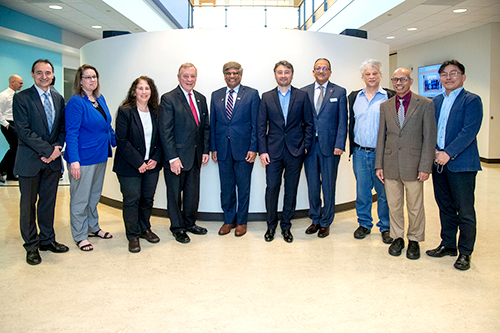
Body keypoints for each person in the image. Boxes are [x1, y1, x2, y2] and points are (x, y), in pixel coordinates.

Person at [426, 60, 483, 271]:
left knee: (465, 210)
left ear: (463, 77)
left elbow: (469, 131)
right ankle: (448, 245)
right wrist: (433, 151)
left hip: (461, 165)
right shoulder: (436, 101)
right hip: (438, 163)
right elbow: (430, 130)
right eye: (444, 74)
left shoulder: (472, 100)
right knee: (445, 207)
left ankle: (465, 252)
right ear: (440, 78)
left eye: (453, 73)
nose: (448, 77)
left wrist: (448, 153)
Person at [375, 68, 436, 260]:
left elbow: (429, 138)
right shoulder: (385, 106)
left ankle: (414, 240)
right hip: (390, 163)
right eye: (395, 80)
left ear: (410, 81)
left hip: (414, 165)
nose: (398, 83)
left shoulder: (425, 104)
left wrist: (425, 166)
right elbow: (381, 137)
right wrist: (379, 165)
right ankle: (397, 237)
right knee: (394, 205)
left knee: (415, 206)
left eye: (402, 79)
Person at [12, 59, 68, 265]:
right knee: (28, 206)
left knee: (48, 204)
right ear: (32, 75)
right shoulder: (22, 98)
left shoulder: (58, 98)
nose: (44, 76)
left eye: (48, 72)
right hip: (30, 161)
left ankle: (47, 240)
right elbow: (23, 131)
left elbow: (62, 128)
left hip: (51, 162)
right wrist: (48, 150)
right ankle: (31, 246)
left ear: (53, 75)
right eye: (39, 73)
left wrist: (56, 149)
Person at [257, 60, 314, 243]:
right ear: (275, 75)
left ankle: (286, 226)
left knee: (291, 190)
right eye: (280, 72)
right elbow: (260, 126)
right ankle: (271, 226)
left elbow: (309, 124)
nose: (283, 75)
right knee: (272, 188)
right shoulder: (266, 97)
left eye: (287, 72)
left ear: (292, 74)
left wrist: (305, 146)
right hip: (272, 152)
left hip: (295, 151)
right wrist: (262, 151)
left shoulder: (302, 95)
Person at [64, 64, 116, 251]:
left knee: (94, 196)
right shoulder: (76, 102)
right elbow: (71, 132)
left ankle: (93, 227)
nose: (92, 80)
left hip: (100, 154)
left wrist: (118, 142)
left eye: (94, 77)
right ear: (80, 80)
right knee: (80, 198)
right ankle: (79, 235)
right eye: (87, 77)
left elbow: (106, 125)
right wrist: (75, 161)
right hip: (83, 158)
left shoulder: (99, 98)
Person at [159, 63, 210, 244]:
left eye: (193, 76)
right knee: (174, 195)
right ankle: (177, 228)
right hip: (176, 159)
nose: (189, 80)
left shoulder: (201, 99)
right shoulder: (169, 98)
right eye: (186, 76)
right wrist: (173, 158)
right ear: (179, 77)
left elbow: (205, 127)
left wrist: (205, 150)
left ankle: (189, 223)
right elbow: (165, 131)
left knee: (191, 194)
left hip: (195, 157)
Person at [210, 62, 260, 237]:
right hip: (223, 149)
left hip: (244, 149)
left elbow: (256, 124)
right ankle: (228, 220)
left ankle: (242, 222)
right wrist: (213, 147)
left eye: (236, 73)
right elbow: (213, 123)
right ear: (224, 75)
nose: (232, 76)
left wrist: (254, 147)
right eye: (229, 73)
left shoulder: (252, 94)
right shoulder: (216, 95)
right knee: (226, 187)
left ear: (241, 75)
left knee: (243, 187)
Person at [348, 59, 395, 244]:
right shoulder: (354, 97)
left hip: (381, 154)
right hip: (360, 152)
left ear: (380, 75)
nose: (371, 76)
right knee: (362, 192)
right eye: (368, 74)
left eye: (375, 73)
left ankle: (385, 226)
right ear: (362, 77)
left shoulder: (389, 96)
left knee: (383, 192)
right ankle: (364, 224)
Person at [113, 76, 162, 253]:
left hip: (152, 165)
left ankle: (144, 229)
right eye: (140, 88)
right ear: (134, 91)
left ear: (152, 91)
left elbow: (161, 139)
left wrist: (155, 158)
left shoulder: (156, 112)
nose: (144, 92)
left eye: (147, 88)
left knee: (147, 199)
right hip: (129, 166)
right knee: (132, 199)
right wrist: (138, 162)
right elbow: (122, 140)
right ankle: (132, 235)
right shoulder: (125, 111)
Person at [302, 58, 347, 238]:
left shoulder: (339, 91)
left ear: (330, 72)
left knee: (328, 185)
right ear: (313, 72)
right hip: (310, 147)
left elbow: (343, 120)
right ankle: (315, 219)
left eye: (325, 68)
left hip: (330, 147)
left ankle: (326, 222)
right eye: (318, 68)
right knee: (313, 185)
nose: (321, 71)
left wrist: (340, 144)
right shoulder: (304, 92)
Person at [0, 74, 23, 182]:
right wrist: (6, 124)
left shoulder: (16, 96)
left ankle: (10, 173)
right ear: (13, 82)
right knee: (16, 147)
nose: (22, 85)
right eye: (20, 83)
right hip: (8, 124)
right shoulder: (3, 95)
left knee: (16, 148)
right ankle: (1, 169)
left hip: (15, 123)